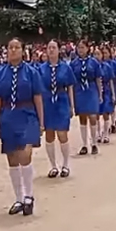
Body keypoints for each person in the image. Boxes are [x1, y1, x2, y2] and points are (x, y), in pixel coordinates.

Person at [0, 38, 44, 216]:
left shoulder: (31, 72)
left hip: (27, 114)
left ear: (23, 51)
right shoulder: (0, 73)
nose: (13, 50)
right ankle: (19, 198)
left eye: (16, 47)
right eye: (10, 48)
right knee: (12, 157)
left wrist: (41, 122)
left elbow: (37, 97)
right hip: (8, 116)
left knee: (25, 153)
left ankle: (29, 195)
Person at [40, 39, 76, 178]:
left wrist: (72, 106)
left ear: (58, 50)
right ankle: (53, 166)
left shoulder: (65, 67)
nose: (51, 50)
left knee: (62, 134)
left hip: (61, 101)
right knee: (49, 135)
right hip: (47, 102)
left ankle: (65, 165)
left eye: (54, 47)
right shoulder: (41, 68)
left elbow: (70, 87)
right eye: (49, 48)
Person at [70, 40, 102, 155]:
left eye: (83, 47)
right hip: (79, 91)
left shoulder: (94, 62)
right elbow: (71, 82)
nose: (80, 50)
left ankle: (94, 143)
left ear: (88, 49)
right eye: (79, 48)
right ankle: (84, 144)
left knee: (93, 116)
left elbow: (98, 78)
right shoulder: (73, 64)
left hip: (91, 89)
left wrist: (100, 93)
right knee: (82, 118)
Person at [94, 47, 116, 144]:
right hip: (96, 92)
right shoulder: (92, 67)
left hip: (106, 92)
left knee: (106, 113)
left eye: (98, 54)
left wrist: (113, 94)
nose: (96, 56)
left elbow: (111, 81)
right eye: (95, 54)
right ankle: (98, 134)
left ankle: (106, 134)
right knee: (96, 115)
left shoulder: (107, 66)